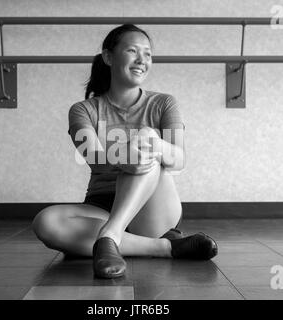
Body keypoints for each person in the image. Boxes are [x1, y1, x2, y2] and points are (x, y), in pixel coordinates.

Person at [32, 24, 218, 279]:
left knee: (147, 142)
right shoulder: (83, 109)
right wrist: (125, 155)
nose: (143, 60)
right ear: (108, 57)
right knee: (45, 222)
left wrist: (152, 142)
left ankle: (109, 236)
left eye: (148, 54)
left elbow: (178, 160)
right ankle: (165, 247)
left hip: (152, 207)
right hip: (101, 204)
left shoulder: (164, 103)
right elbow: (95, 160)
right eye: (133, 51)